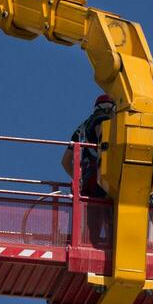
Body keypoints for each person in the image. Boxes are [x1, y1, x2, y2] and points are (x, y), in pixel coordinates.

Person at [62, 94, 115, 247]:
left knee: (91, 221)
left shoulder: (82, 128)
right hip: (101, 176)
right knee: (110, 215)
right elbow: (104, 140)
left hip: (87, 179)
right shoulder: (102, 120)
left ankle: (88, 245)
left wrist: (79, 179)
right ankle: (109, 249)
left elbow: (65, 161)